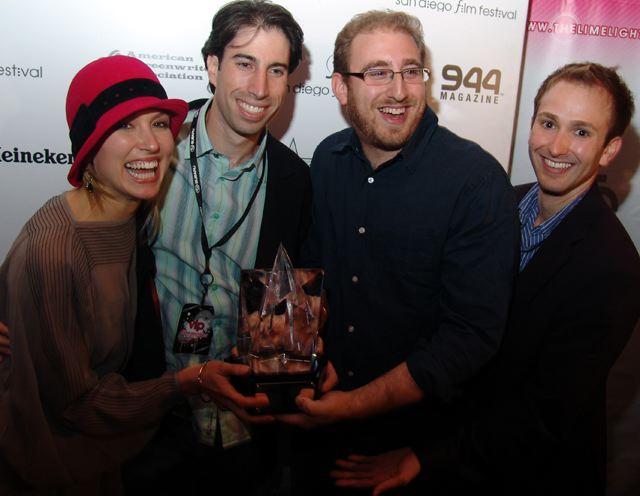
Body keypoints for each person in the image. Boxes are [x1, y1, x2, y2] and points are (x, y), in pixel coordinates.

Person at [330, 62, 640, 496]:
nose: (557, 145)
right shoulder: (497, 203)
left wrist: (424, 457)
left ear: (609, 150)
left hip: (527, 475)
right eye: (548, 123)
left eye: (582, 132)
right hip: (445, 451)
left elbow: (544, 414)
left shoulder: (613, 267)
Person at [279, 9, 518, 493]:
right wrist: (309, 348)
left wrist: (351, 405)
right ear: (342, 88)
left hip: (410, 448)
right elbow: (312, 273)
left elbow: (470, 337)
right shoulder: (326, 159)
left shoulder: (475, 182)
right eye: (378, 73)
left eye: (411, 71)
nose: (399, 90)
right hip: (318, 424)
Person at [0, 55, 261, 495]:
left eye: (159, 123)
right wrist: (188, 382)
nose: (151, 144)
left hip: (110, 457)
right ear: (89, 147)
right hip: (52, 468)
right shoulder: (56, 249)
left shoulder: (129, 216)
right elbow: (78, 405)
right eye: (124, 126)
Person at [123, 1, 312, 493]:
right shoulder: (153, 145)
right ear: (212, 65)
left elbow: (291, 305)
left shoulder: (296, 182)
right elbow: (91, 233)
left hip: (242, 427)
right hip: (147, 416)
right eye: (244, 63)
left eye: (276, 70)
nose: (260, 89)